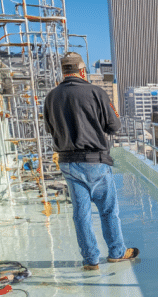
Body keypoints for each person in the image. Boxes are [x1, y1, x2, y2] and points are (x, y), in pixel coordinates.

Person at [44, 52, 138, 271]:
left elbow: (50, 129)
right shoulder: (96, 92)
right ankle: (116, 252)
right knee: (108, 210)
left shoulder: (51, 97)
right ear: (82, 71)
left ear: (63, 72)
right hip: (95, 161)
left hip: (68, 162)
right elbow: (114, 126)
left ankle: (90, 260)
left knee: (81, 214)